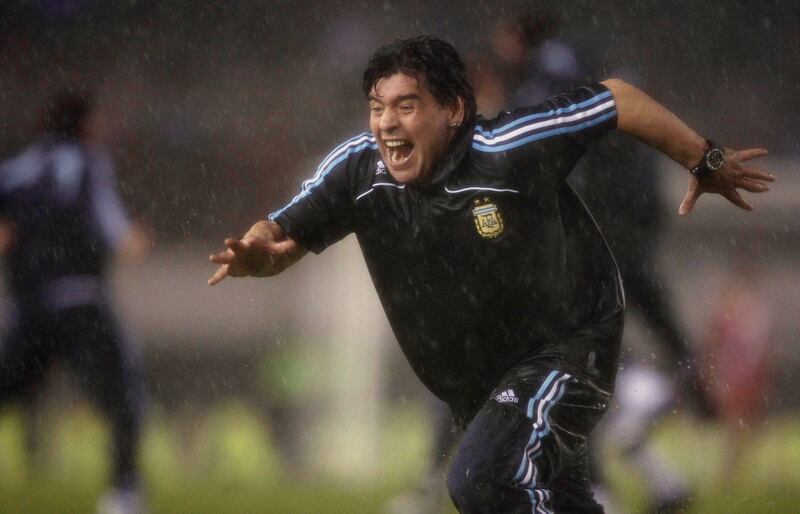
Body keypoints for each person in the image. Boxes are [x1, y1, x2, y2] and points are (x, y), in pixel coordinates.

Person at [208, 36, 773, 513]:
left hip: (571, 349)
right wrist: (260, 253)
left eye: (406, 105)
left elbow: (619, 100)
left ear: (453, 109)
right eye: (378, 107)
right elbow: (279, 235)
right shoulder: (357, 169)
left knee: (480, 480)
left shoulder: (510, 146)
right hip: (482, 385)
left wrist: (706, 160)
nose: (386, 123)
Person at [0, 87, 149, 514]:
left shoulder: (17, 169)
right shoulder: (90, 162)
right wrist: (131, 239)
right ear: (84, 124)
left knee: (8, 388)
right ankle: (122, 495)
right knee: (124, 397)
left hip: (31, 308)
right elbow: (114, 228)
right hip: (82, 304)